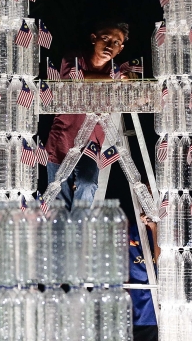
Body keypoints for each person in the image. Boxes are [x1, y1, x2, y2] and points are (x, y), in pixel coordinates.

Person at [45, 19, 132, 208]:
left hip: (91, 145)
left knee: (88, 183)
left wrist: (133, 83)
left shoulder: (118, 71)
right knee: (58, 199)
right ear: (94, 38)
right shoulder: (74, 59)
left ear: (121, 48)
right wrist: (116, 79)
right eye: (106, 38)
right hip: (62, 140)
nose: (110, 45)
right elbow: (77, 78)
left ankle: (80, 230)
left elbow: (135, 98)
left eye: (116, 42)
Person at [129, 214, 160, 341]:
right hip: (136, 316)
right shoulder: (129, 232)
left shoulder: (166, 232)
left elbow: (163, 265)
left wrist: (155, 229)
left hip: (154, 317)